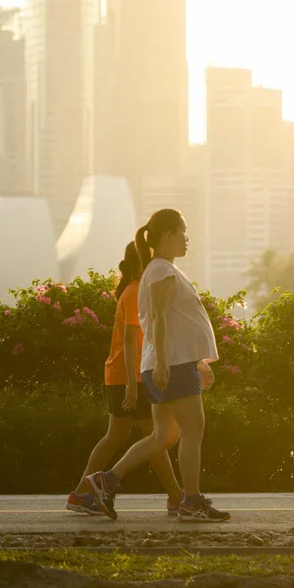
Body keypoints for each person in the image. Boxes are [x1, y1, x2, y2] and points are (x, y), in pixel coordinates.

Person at [83, 209, 230, 522]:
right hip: (170, 363)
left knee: (161, 437)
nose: (187, 239)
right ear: (167, 236)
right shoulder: (161, 270)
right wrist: (165, 362)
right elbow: (160, 319)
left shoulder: (161, 269)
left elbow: (176, 321)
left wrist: (199, 361)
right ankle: (191, 501)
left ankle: (105, 482)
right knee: (194, 429)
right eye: (183, 232)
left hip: (170, 361)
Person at [66, 243, 184, 516]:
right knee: (150, 437)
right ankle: (175, 496)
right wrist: (132, 385)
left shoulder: (137, 290)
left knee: (136, 437)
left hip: (127, 374)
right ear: (143, 263)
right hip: (128, 375)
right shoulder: (135, 293)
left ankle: (82, 493)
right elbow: (131, 342)